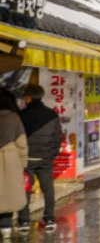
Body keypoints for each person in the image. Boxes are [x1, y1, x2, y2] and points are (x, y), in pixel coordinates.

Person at [16, 84, 62, 234]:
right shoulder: (52, 115)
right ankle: (49, 219)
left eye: (25, 97)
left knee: (25, 189)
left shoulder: (21, 115)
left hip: (27, 159)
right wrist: (52, 154)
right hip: (45, 159)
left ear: (28, 98)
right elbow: (57, 137)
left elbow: (18, 138)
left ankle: (23, 221)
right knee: (48, 189)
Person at [0, 89, 28, 239]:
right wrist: (22, 164)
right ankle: (5, 226)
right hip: (10, 157)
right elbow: (21, 142)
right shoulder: (14, 118)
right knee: (8, 192)